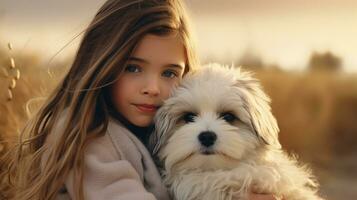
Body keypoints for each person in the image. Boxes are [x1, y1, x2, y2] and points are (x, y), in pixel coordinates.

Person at [3, 0, 280, 199]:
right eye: (133, 68)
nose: (152, 88)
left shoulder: (148, 133)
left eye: (170, 72)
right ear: (102, 64)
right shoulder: (92, 139)